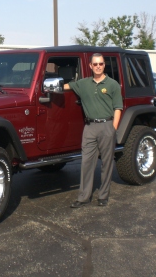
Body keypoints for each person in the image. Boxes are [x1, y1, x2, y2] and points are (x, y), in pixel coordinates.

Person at [64, 53, 123, 208]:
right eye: (95, 64)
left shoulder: (112, 84)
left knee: (106, 163)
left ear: (104, 65)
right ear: (90, 66)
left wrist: (113, 128)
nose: (98, 66)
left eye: (101, 64)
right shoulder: (83, 84)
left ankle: (103, 195)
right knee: (86, 163)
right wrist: (46, 86)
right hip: (89, 127)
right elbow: (65, 86)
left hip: (107, 126)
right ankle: (83, 197)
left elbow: (118, 108)